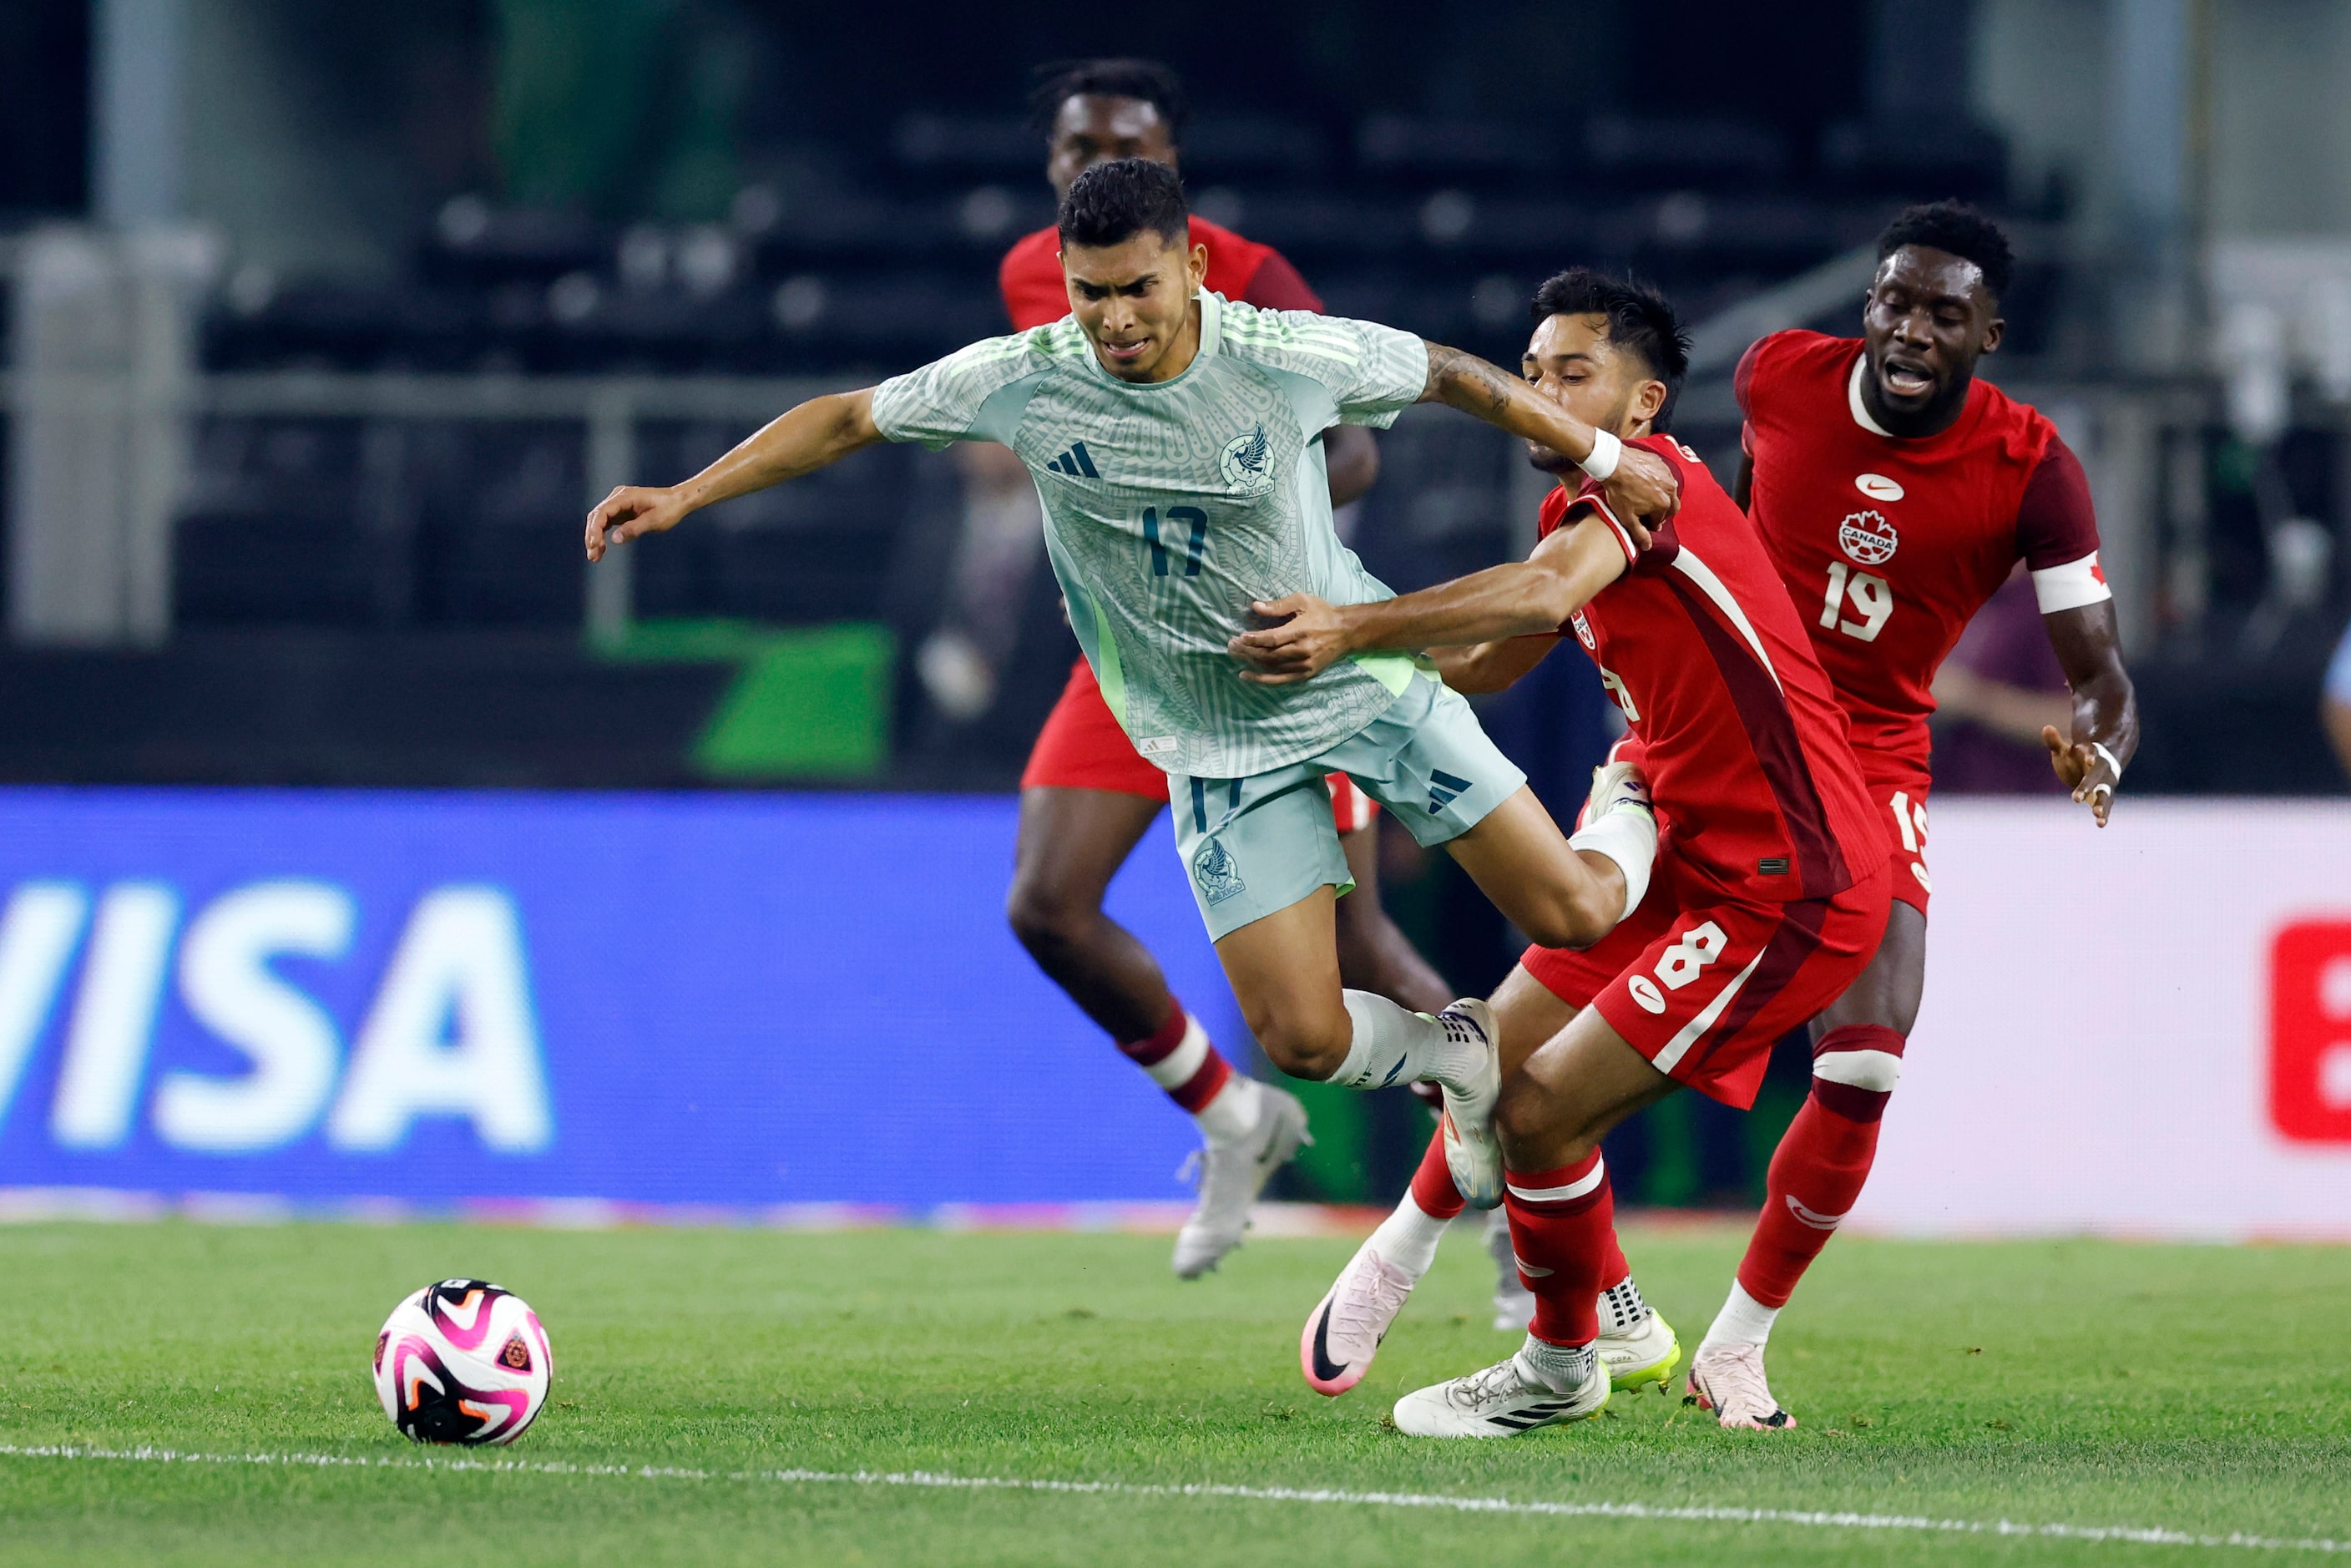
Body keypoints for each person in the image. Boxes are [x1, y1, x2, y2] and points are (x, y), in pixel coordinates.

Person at [586, 162, 1681, 1249]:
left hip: (1358, 675)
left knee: (1575, 915)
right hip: (1209, 734)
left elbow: (1445, 373)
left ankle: (1629, 788)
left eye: (1139, 288)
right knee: (1301, 1034)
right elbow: (846, 420)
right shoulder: (1026, 377)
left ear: (1193, 268)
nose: (1113, 320)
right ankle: (1458, 1051)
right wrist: (686, 494)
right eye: (1090, 291)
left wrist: (1595, 451)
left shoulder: (1281, 354)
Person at [1233, 270, 1890, 1437]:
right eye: (1531, 373)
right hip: (1693, 853)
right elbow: (1495, 656)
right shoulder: (1575, 519)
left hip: (1787, 885)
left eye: (1570, 372)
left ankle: (1557, 1360)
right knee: (1489, 1050)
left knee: (1538, 1114)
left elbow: (1539, 598)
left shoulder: (1654, 493)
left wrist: (1351, 622)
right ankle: (1577, 1306)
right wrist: (1355, 669)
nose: (1540, 393)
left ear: (1644, 408)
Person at [1661, 200, 2139, 1429]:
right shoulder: (1779, 374)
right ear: (1866, 303)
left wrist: (2102, 745)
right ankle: (1453, 1249)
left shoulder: (2032, 466)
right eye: (1894, 301)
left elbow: (2103, 676)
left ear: (1990, 333)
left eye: (1944, 312)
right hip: (1727, 718)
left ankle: (1734, 1346)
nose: (1910, 329)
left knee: (1868, 1059)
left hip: (1871, 751)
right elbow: (1746, 519)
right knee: (1562, 984)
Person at [992, 60, 1452, 1277]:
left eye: (1122, 143)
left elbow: (1355, 453)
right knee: (1046, 904)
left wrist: (1213, 501)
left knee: (1359, 957)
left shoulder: (1245, 275)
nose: (1093, 162)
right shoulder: (1034, 278)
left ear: (1172, 177)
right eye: (1075, 145)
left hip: (1270, 641)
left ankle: (1517, 1181)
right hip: (1136, 654)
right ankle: (1234, 1116)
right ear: (1049, 168)